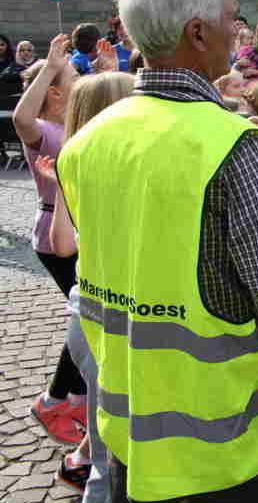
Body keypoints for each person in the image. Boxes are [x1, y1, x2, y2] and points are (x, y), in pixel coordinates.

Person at [56, 0, 258, 503]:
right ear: (198, 32)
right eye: (233, 16)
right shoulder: (237, 146)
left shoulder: (86, 142)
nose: (238, 29)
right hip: (220, 448)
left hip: (127, 428)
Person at [37, 70, 135, 500]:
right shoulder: (116, 170)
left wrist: (62, 185)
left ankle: (83, 465)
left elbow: (61, 244)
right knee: (112, 451)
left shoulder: (76, 163)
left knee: (105, 435)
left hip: (85, 313)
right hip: (109, 317)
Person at [13, 35, 86, 447]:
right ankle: (53, 401)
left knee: (87, 317)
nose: (80, 79)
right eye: (74, 76)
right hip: (54, 236)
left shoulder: (71, 124)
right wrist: (52, 67)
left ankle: (75, 399)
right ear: (55, 92)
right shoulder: (42, 129)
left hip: (74, 232)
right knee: (85, 318)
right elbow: (21, 118)